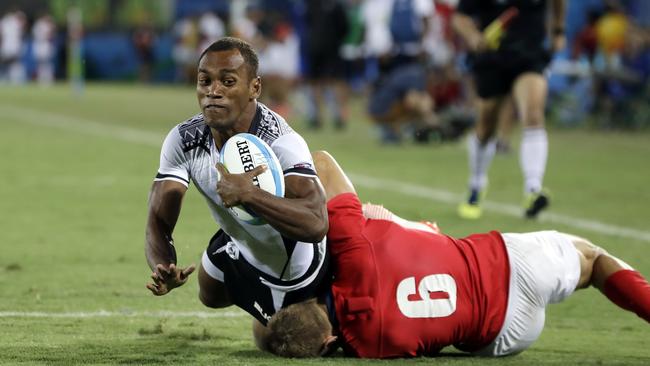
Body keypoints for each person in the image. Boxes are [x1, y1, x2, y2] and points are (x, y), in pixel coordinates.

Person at [254, 150, 650, 358]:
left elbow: (300, 333)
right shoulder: (354, 251)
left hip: (500, 337)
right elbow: (321, 161)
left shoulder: (368, 349)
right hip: (508, 266)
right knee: (593, 260)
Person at [144, 37, 329, 327]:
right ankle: (241, 253)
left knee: (290, 343)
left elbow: (316, 224)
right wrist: (162, 263)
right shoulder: (184, 139)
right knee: (209, 293)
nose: (213, 91)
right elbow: (157, 219)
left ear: (254, 88)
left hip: (293, 268)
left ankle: (322, 300)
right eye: (204, 81)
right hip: (244, 242)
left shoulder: (281, 141)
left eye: (228, 82)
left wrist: (251, 195)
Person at [452, 0, 567, 219]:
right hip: (492, 56)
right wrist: (473, 36)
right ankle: (476, 184)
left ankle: (533, 190)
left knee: (533, 114)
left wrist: (558, 30)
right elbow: (459, 17)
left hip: (529, 55)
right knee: (486, 127)